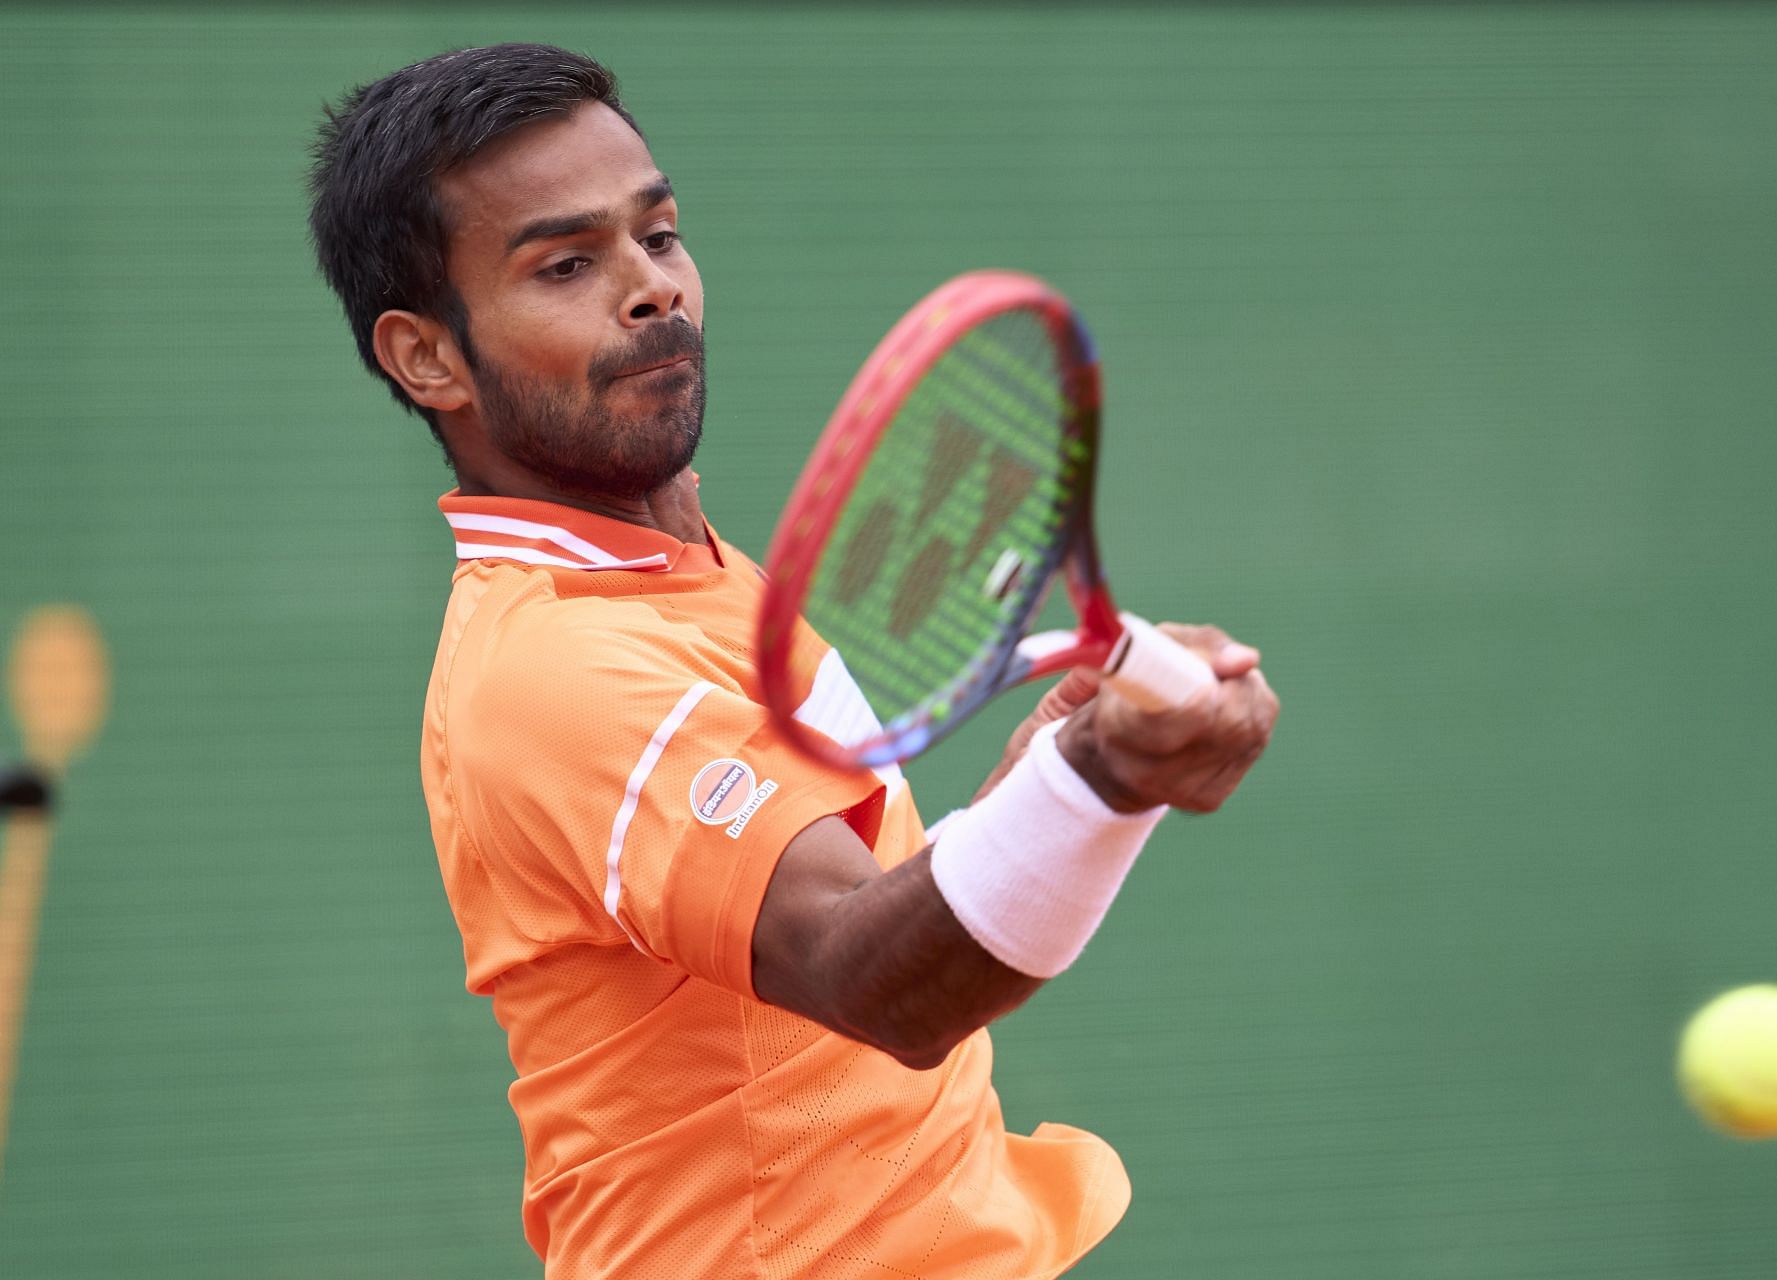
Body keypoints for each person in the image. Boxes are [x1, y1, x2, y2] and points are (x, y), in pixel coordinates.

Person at [308, 43, 1276, 1280]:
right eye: (565, 264)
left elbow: (858, 926)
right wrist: (1098, 778)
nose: (650, 289)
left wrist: (1042, 785)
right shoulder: (556, 669)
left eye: (657, 236)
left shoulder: (690, 570)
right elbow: (873, 979)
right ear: (428, 356)